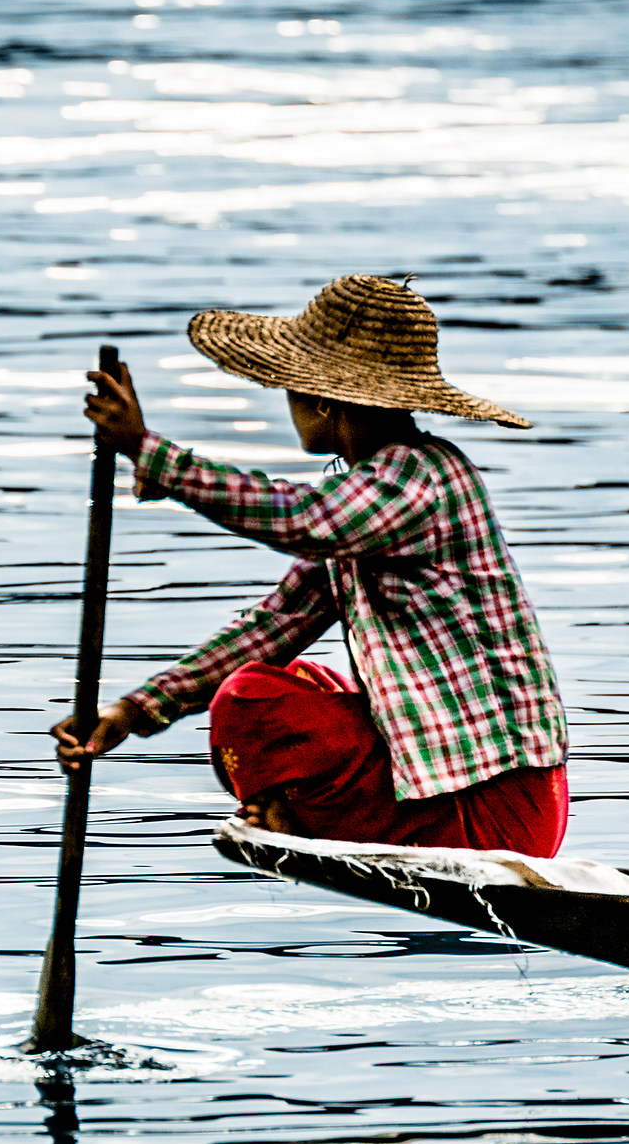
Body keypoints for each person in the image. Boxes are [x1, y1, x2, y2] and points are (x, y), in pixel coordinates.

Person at [50, 274, 569, 858]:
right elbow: (276, 626)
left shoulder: (419, 477)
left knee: (250, 700)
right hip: (459, 794)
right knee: (288, 683)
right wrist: (134, 711)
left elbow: (301, 517)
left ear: (322, 398)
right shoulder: (368, 496)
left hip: (491, 809)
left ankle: (305, 820)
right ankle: (307, 815)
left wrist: (151, 454)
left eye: (290, 388)